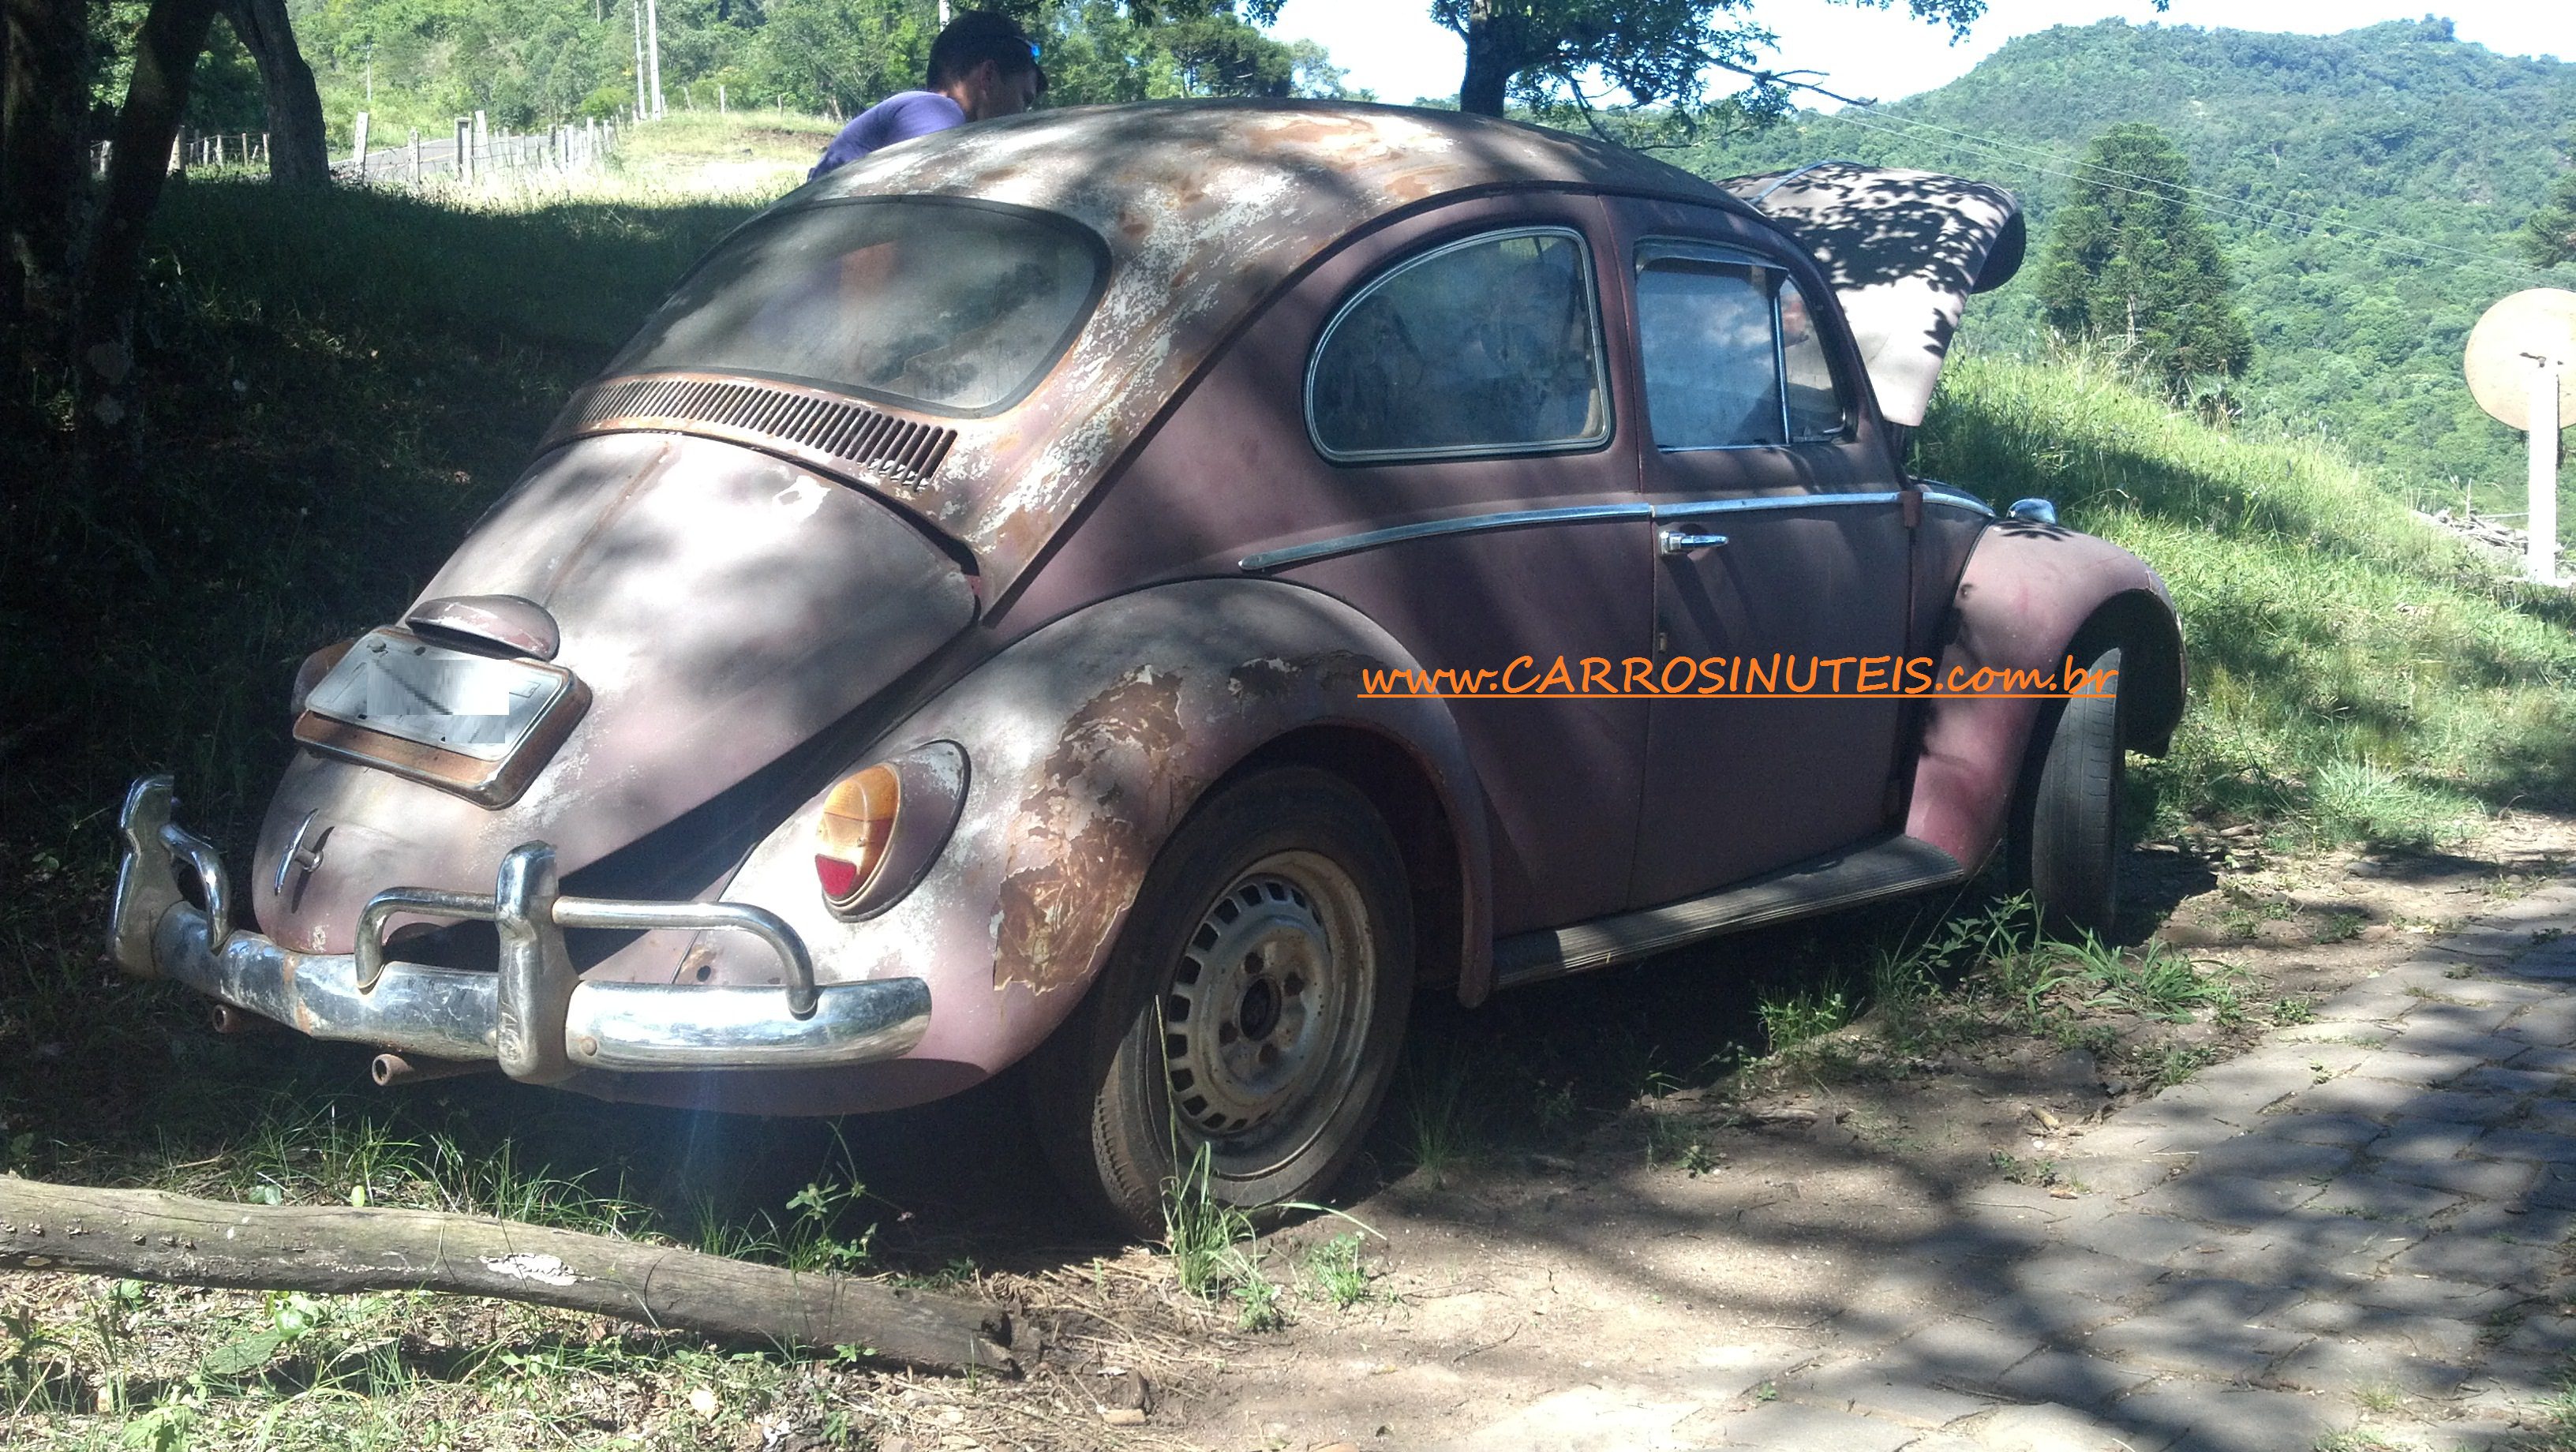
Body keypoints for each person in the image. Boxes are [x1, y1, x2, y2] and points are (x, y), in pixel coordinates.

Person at [808, 12, 1046, 181]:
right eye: (1025, 100)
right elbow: (916, 214)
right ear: (989, 76)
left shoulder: (920, 110)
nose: (1023, 115)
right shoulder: (935, 111)